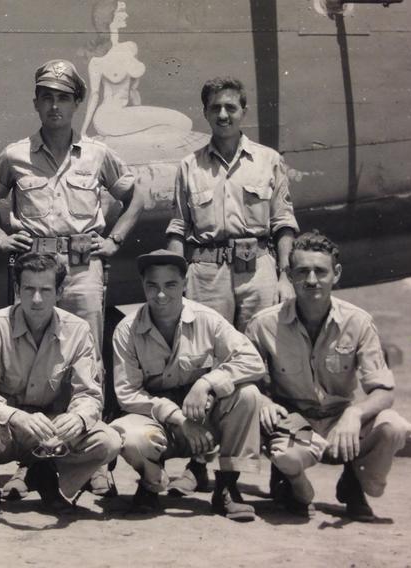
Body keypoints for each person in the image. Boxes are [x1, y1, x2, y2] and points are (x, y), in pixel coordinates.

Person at [0, 58, 144, 498]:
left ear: (77, 102)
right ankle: (27, 464)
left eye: (63, 97)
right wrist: (2, 238)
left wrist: (113, 240)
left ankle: (95, 461)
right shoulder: (15, 155)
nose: (54, 105)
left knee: (86, 363)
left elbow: (136, 195)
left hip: (80, 271)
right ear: (36, 102)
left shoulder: (97, 155)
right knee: (27, 365)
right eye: (46, 96)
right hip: (35, 272)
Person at [164, 76, 299, 493]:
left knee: (265, 362)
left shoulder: (268, 160)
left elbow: (283, 223)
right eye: (215, 108)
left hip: (257, 266)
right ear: (205, 113)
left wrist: (284, 276)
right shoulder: (190, 166)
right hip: (205, 270)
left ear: (243, 112)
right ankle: (199, 463)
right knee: (205, 362)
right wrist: (175, 275)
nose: (223, 115)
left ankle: (278, 463)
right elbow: (178, 227)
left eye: (231, 108)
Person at [245, 231, 411, 520]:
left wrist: (354, 415)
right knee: (287, 455)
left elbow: (384, 391)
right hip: (295, 423)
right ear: (289, 274)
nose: (311, 280)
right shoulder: (263, 325)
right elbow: (245, 382)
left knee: (394, 427)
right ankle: (292, 483)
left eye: (320, 271)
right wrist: (265, 403)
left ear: (336, 274)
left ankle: (355, 482)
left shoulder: (358, 322)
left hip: (340, 422)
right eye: (302, 271)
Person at [0, 253, 122, 519]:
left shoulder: (78, 330)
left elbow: (90, 393)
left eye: (45, 290)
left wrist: (78, 418)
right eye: (28, 289)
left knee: (108, 441)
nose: (36, 299)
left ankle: (52, 481)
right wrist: (15, 416)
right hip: (7, 426)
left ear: (59, 292)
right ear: (17, 290)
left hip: (52, 429)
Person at [110, 249, 265, 521]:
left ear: (184, 284)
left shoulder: (207, 319)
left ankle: (227, 487)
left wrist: (207, 382)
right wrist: (179, 419)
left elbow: (253, 361)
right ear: (143, 287)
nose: (161, 295)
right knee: (129, 437)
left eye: (170, 285)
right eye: (152, 286)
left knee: (248, 395)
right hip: (160, 422)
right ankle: (150, 486)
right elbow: (127, 393)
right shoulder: (127, 329)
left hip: (203, 422)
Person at [79, 0, 201, 164]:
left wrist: (139, 113)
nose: (127, 14)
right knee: (181, 122)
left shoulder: (130, 48)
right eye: (122, 10)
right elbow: (93, 96)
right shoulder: (97, 60)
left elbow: (134, 92)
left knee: (182, 123)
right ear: (110, 16)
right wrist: (83, 132)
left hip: (124, 114)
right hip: (106, 118)